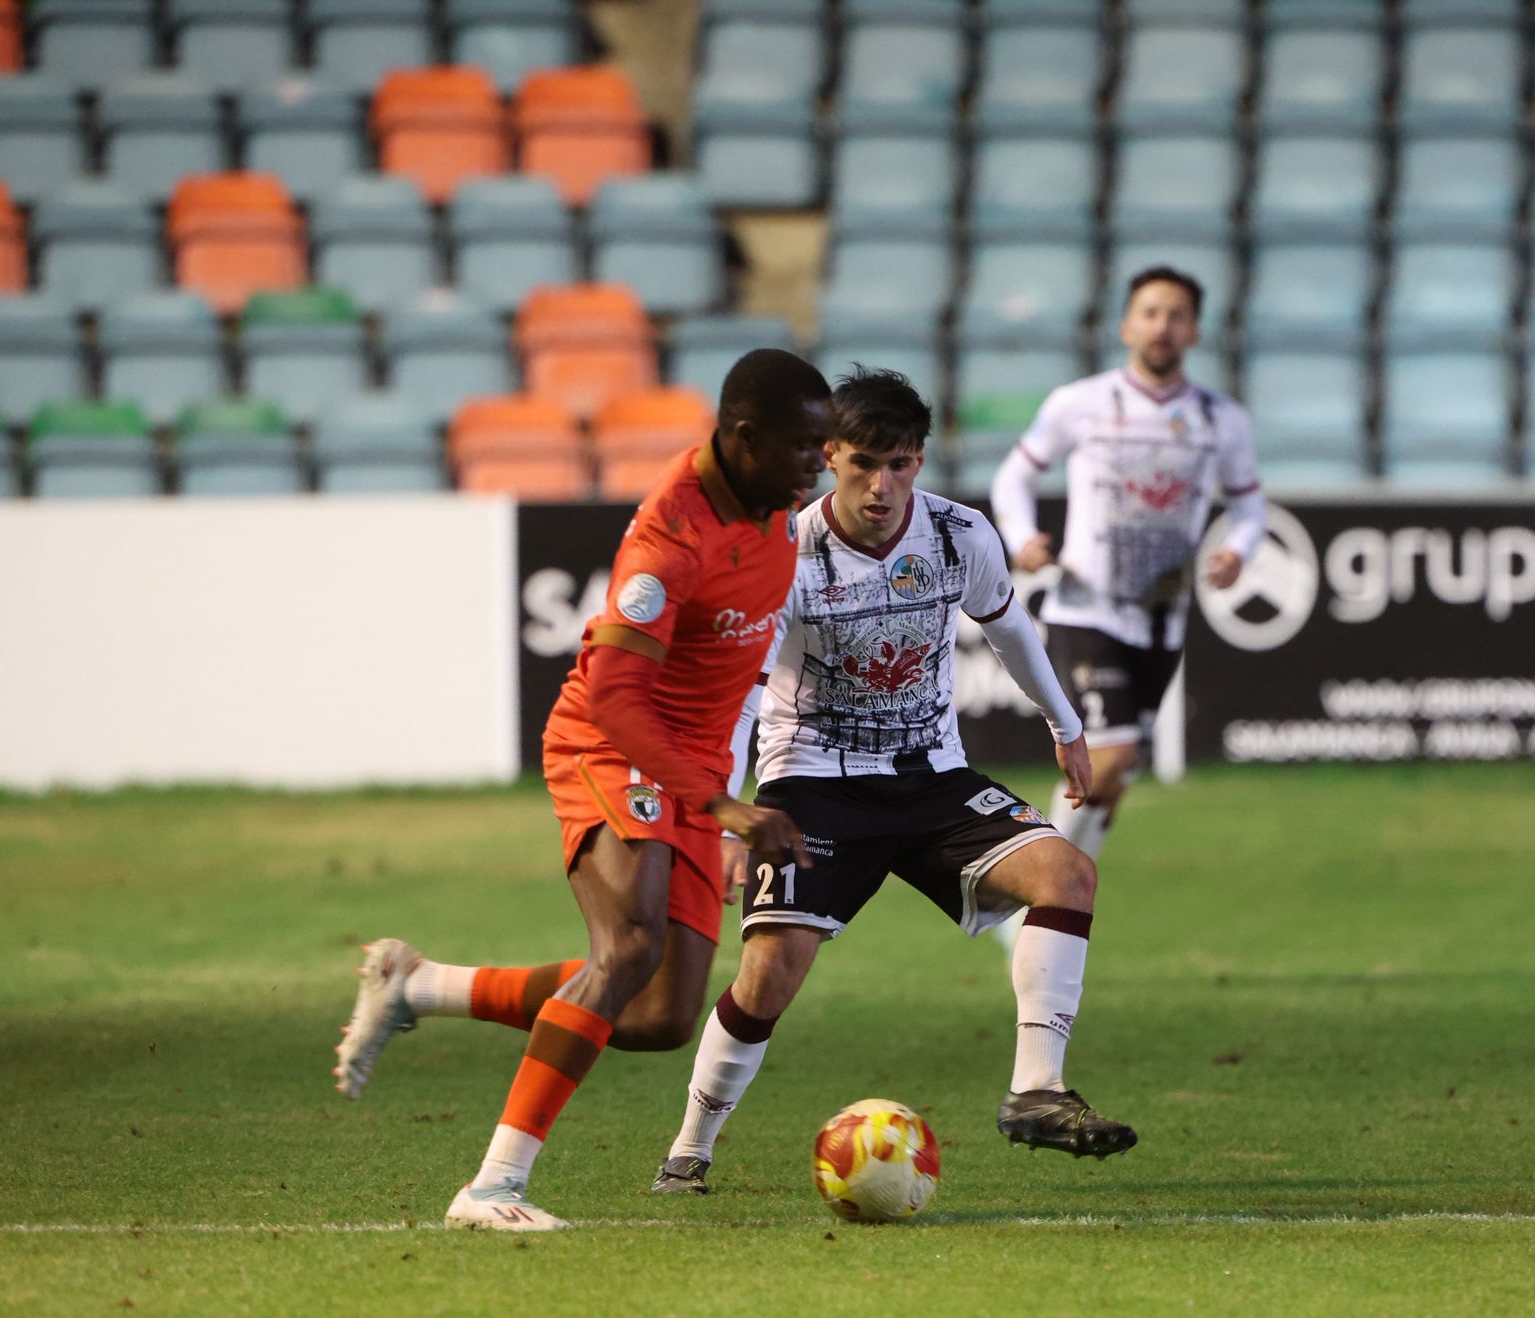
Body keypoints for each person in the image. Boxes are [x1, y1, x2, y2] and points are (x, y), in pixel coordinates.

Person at [330, 348, 834, 1232]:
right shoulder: (667, 542)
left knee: (660, 1015)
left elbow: (744, 672)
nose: (817, 465)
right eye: (803, 448)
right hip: (614, 747)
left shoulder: (776, 513)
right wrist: (720, 807)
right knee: (629, 944)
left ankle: (419, 985)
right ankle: (492, 1187)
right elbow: (613, 695)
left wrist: (723, 795)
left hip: (696, 773)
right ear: (745, 438)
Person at [648, 366, 1136, 1197]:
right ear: (829, 455)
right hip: (813, 783)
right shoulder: (783, 554)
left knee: (1069, 874)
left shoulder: (958, 534)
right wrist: (729, 816)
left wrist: (1067, 725)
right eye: (863, 463)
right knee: (771, 972)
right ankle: (690, 1146)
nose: (882, 486)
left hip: (930, 777)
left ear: (921, 459)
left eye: (900, 463)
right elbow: (740, 694)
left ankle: (1035, 1093)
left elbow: (1009, 626)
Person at [987, 266, 1268, 948]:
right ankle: (1035, 897)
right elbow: (1014, 475)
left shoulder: (1219, 419)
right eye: (1150, 312)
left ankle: (1049, 896)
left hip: (1163, 618)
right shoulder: (1080, 403)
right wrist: (1022, 538)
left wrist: (1240, 551)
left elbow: (1250, 505)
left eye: (1176, 315)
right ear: (1126, 325)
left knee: (1112, 782)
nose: (1162, 325)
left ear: (1194, 331)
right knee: (1106, 759)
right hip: (1087, 609)